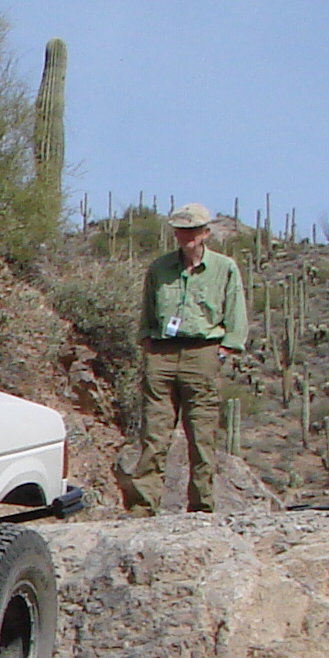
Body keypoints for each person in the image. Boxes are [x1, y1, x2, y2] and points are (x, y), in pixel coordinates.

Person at [118, 201, 246, 516]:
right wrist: (146, 340)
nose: (186, 236)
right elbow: (148, 308)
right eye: (180, 230)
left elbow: (236, 311)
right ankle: (144, 505)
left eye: (192, 230)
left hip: (202, 353)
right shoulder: (159, 268)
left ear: (205, 233)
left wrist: (227, 348)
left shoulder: (224, 268)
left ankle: (201, 506)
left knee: (202, 434)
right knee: (154, 432)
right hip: (161, 353)